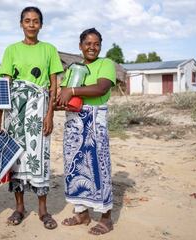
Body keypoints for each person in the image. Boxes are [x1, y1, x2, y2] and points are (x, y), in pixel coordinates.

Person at [0, 6, 63, 230]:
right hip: (15, 110)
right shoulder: (11, 50)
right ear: (21, 24)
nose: (32, 24)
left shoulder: (50, 50)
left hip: (40, 109)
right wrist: (0, 117)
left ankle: (43, 210)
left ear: (41, 25)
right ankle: (19, 208)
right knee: (16, 158)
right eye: (27, 21)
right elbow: (5, 84)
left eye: (36, 21)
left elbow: (54, 85)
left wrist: (50, 114)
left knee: (40, 159)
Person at [56, 28, 116, 235]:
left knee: (99, 167)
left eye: (96, 44)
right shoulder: (74, 68)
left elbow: (101, 88)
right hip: (73, 123)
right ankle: (82, 214)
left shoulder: (105, 64)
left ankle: (106, 218)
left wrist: (72, 91)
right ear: (80, 46)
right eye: (88, 43)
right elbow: (62, 96)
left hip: (94, 121)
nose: (92, 47)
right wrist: (58, 100)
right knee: (75, 167)